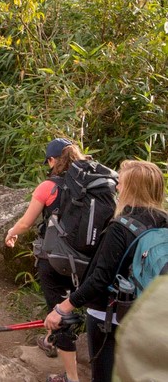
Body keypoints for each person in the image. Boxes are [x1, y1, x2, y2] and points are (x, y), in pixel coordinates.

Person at [45, 160, 167, 382]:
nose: (117, 188)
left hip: (108, 316)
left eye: (121, 183)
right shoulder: (164, 223)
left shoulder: (121, 227)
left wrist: (63, 308)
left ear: (132, 188)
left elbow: (99, 279)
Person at [4, 138, 84, 382]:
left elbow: (27, 223)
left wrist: (11, 233)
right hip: (86, 260)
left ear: (52, 160)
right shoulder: (91, 185)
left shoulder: (48, 186)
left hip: (55, 259)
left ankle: (71, 377)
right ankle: (50, 341)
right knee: (70, 300)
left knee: (59, 313)